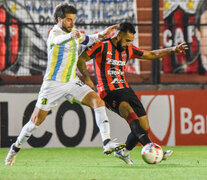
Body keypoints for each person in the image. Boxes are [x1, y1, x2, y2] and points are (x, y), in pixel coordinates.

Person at [4, 3, 126, 166]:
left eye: (73, 20)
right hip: (52, 85)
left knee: (98, 102)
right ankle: (15, 147)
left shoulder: (74, 34)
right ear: (60, 19)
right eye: (69, 20)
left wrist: (104, 33)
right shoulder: (54, 33)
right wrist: (72, 36)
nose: (72, 23)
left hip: (71, 82)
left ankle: (106, 142)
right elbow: (58, 40)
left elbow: (90, 39)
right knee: (35, 122)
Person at [77, 22, 188, 165]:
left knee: (144, 127)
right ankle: (150, 147)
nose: (128, 44)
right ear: (118, 36)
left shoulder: (128, 49)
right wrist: (87, 79)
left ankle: (124, 152)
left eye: (131, 41)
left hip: (126, 89)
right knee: (129, 112)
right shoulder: (102, 45)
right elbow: (81, 59)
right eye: (127, 40)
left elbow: (151, 54)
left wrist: (173, 49)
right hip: (109, 91)